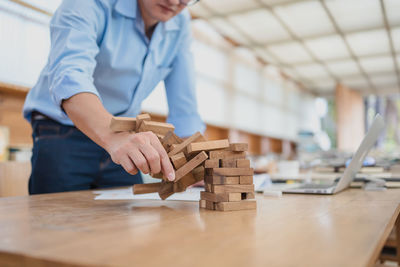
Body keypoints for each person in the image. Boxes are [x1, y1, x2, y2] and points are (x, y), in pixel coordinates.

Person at [23, 0, 205, 194]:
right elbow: (70, 77)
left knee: (128, 218)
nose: (175, 2)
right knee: (58, 219)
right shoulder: (90, 4)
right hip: (63, 130)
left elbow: (184, 104)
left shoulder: (180, 21)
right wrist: (113, 136)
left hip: (125, 137)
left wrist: (195, 160)